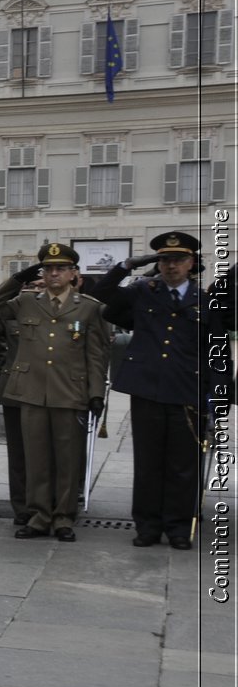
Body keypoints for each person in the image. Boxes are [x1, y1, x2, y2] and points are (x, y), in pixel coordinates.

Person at [0, 244, 110, 542]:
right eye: (48, 269)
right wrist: (17, 280)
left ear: (72, 273)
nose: (54, 273)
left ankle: (64, 516)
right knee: (36, 458)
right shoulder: (26, 303)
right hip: (31, 392)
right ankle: (39, 515)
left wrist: (95, 393)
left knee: (67, 459)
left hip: (70, 392)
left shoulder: (89, 307)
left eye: (60, 268)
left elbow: (96, 354)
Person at [98, 232, 208, 548]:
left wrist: (216, 395)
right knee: (148, 462)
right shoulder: (143, 292)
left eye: (178, 259)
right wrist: (127, 265)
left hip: (187, 392)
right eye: (164, 259)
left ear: (191, 263)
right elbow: (103, 295)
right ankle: (147, 526)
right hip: (147, 389)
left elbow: (215, 352)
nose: (171, 266)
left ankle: (178, 528)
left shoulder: (204, 301)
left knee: (184, 466)